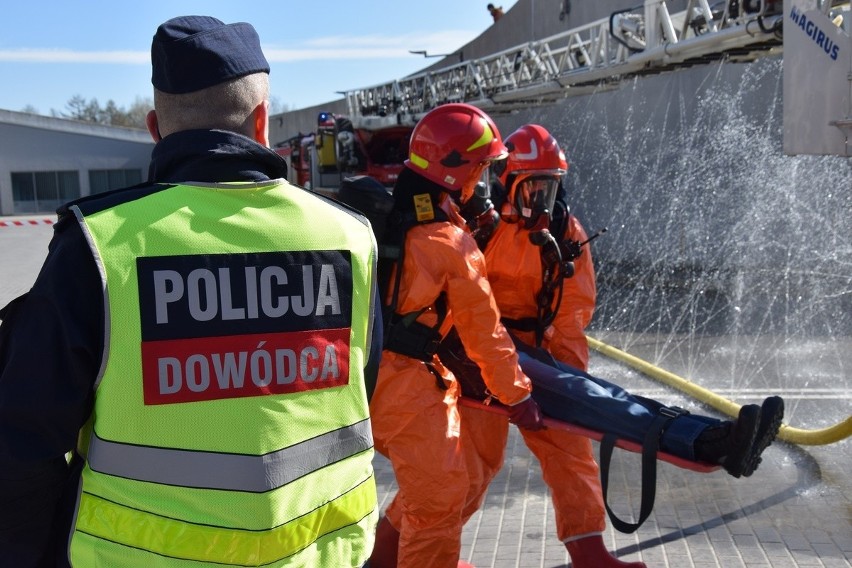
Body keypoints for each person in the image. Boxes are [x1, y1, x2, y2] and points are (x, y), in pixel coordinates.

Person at [0, 16, 381, 568]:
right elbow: (360, 393)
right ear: (262, 120)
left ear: (156, 128)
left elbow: (21, 445)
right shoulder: (351, 237)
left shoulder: (99, 244)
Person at [440, 124, 785, 567]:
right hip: (479, 350)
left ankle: (590, 553)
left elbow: (570, 319)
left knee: (573, 450)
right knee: (467, 463)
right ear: (509, 182)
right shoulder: (482, 229)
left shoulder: (565, 235)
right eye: (532, 189)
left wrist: (572, 383)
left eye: (549, 188)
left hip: (524, 355)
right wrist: (558, 387)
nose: (541, 201)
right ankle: (417, 551)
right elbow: (462, 304)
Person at [367, 103, 546, 568]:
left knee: (446, 483)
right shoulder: (448, 241)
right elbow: (484, 332)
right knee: (440, 497)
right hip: (404, 385)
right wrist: (517, 395)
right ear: (456, 169)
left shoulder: (387, 214)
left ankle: (386, 561)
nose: (482, 182)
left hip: (368, 376)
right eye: (481, 169)